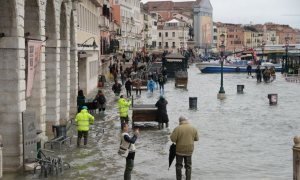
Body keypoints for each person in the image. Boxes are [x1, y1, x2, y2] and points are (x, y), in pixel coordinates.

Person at [170, 116, 199, 180]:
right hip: (189, 149)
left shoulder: (177, 128)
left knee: (178, 166)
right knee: (188, 166)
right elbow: (197, 138)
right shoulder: (194, 128)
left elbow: (173, 139)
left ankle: (179, 179)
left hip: (179, 150)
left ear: (180, 121)